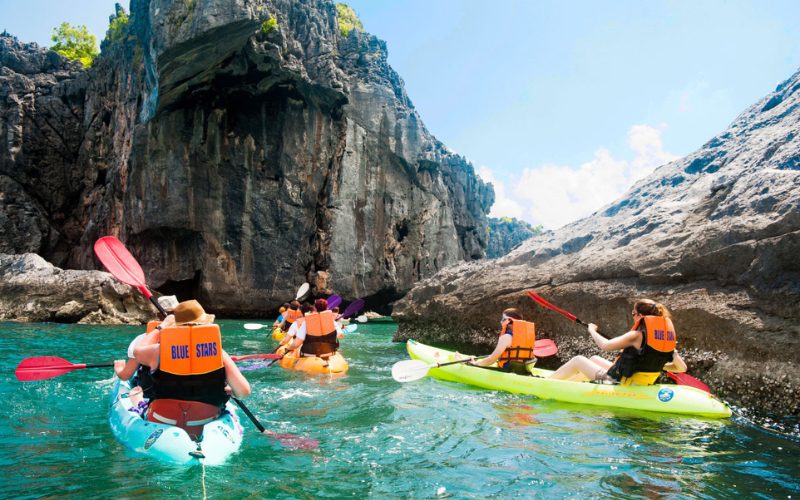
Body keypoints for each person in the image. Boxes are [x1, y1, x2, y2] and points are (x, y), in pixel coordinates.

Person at [134, 300, 251, 439]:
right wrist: (224, 389)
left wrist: (161, 327)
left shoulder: (158, 351)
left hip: (163, 419)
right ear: (205, 324)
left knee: (136, 393)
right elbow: (244, 392)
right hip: (204, 420)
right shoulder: (219, 353)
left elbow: (137, 351)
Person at [549, 299, 687, 385]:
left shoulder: (636, 335)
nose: (633, 316)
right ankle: (573, 386)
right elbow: (682, 368)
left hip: (618, 382)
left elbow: (605, 346)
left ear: (640, 316)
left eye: (633, 313)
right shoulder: (664, 339)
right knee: (594, 358)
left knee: (578, 360)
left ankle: (546, 383)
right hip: (642, 381)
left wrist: (592, 330)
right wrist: (656, 364)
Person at [114, 295, 179, 405]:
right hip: (186, 393)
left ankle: (139, 403)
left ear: (158, 316)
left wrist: (119, 368)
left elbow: (125, 376)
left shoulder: (142, 340)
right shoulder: (197, 339)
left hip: (153, 396)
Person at [467, 308, 537, 374]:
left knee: (475, 362)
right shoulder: (528, 337)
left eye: (503, 319)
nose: (501, 321)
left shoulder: (506, 337)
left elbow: (491, 360)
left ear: (509, 321)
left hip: (507, 372)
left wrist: (475, 364)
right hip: (522, 370)